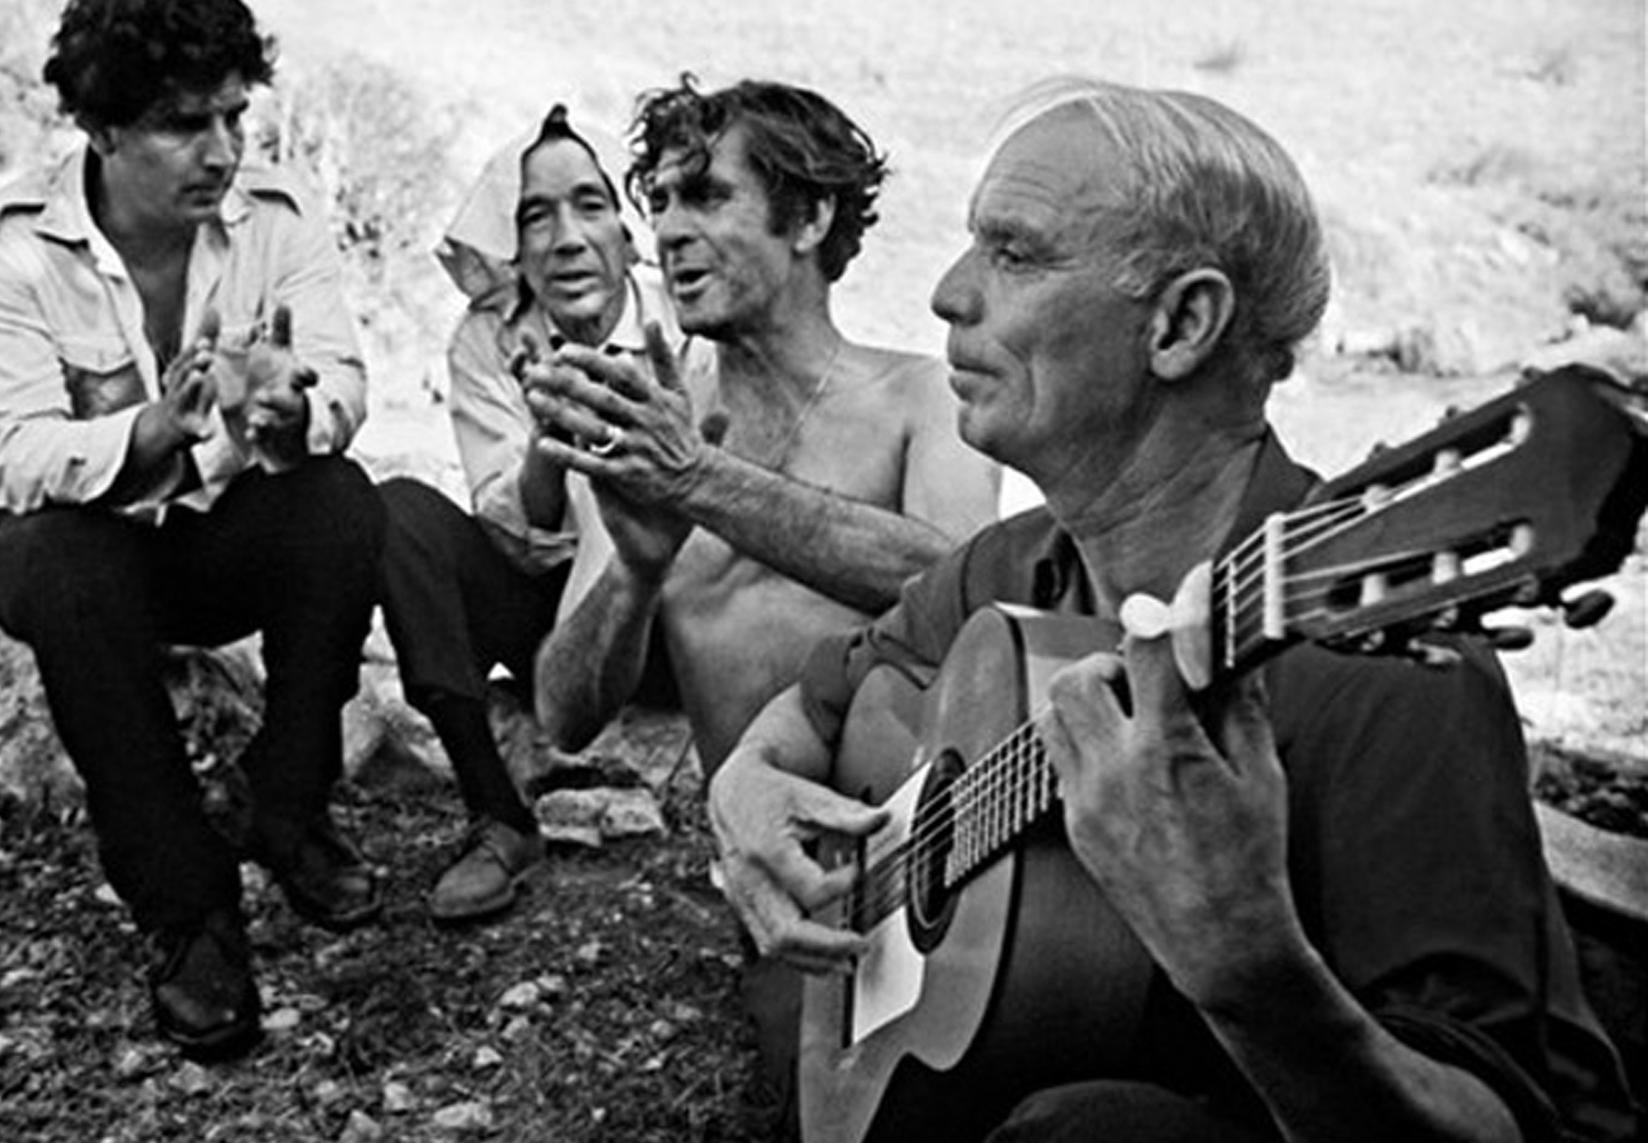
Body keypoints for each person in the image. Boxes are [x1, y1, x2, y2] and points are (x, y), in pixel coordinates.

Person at [709, 77, 1639, 1141]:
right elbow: (826, 701)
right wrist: (746, 783)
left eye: (1012, 253)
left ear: (1180, 323)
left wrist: (1254, 977)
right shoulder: (1013, 570)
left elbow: (1498, 1124)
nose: (946, 294)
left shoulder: (1380, 689)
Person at [519, 75, 1002, 1111]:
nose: (666, 234)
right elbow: (562, 712)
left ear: (809, 217)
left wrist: (705, 486)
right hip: (785, 879)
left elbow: (963, 596)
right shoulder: (652, 434)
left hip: (954, 846)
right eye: (657, 204)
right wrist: (638, 568)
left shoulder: (917, 398)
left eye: (705, 197)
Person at [0, 0, 384, 1061]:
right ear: (101, 128)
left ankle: (284, 804)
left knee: (340, 500)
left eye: (235, 116)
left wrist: (295, 412)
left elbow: (341, 380)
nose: (223, 152)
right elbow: (16, 452)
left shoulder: (277, 217)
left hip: (207, 533)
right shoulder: (9, 246)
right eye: (185, 125)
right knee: (65, 564)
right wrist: (152, 427)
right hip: (67, 545)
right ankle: (185, 910)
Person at [378, 104, 693, 924]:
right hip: (546, 616)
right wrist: (545, 446)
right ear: (515, 250)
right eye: (535, 216)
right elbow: (509, 533)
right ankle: (498, 814)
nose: (567, 238)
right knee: (397, 515)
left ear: (627, 230)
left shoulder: (684, 320)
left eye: (590, 205)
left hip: (674, 619)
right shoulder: (489, 341)